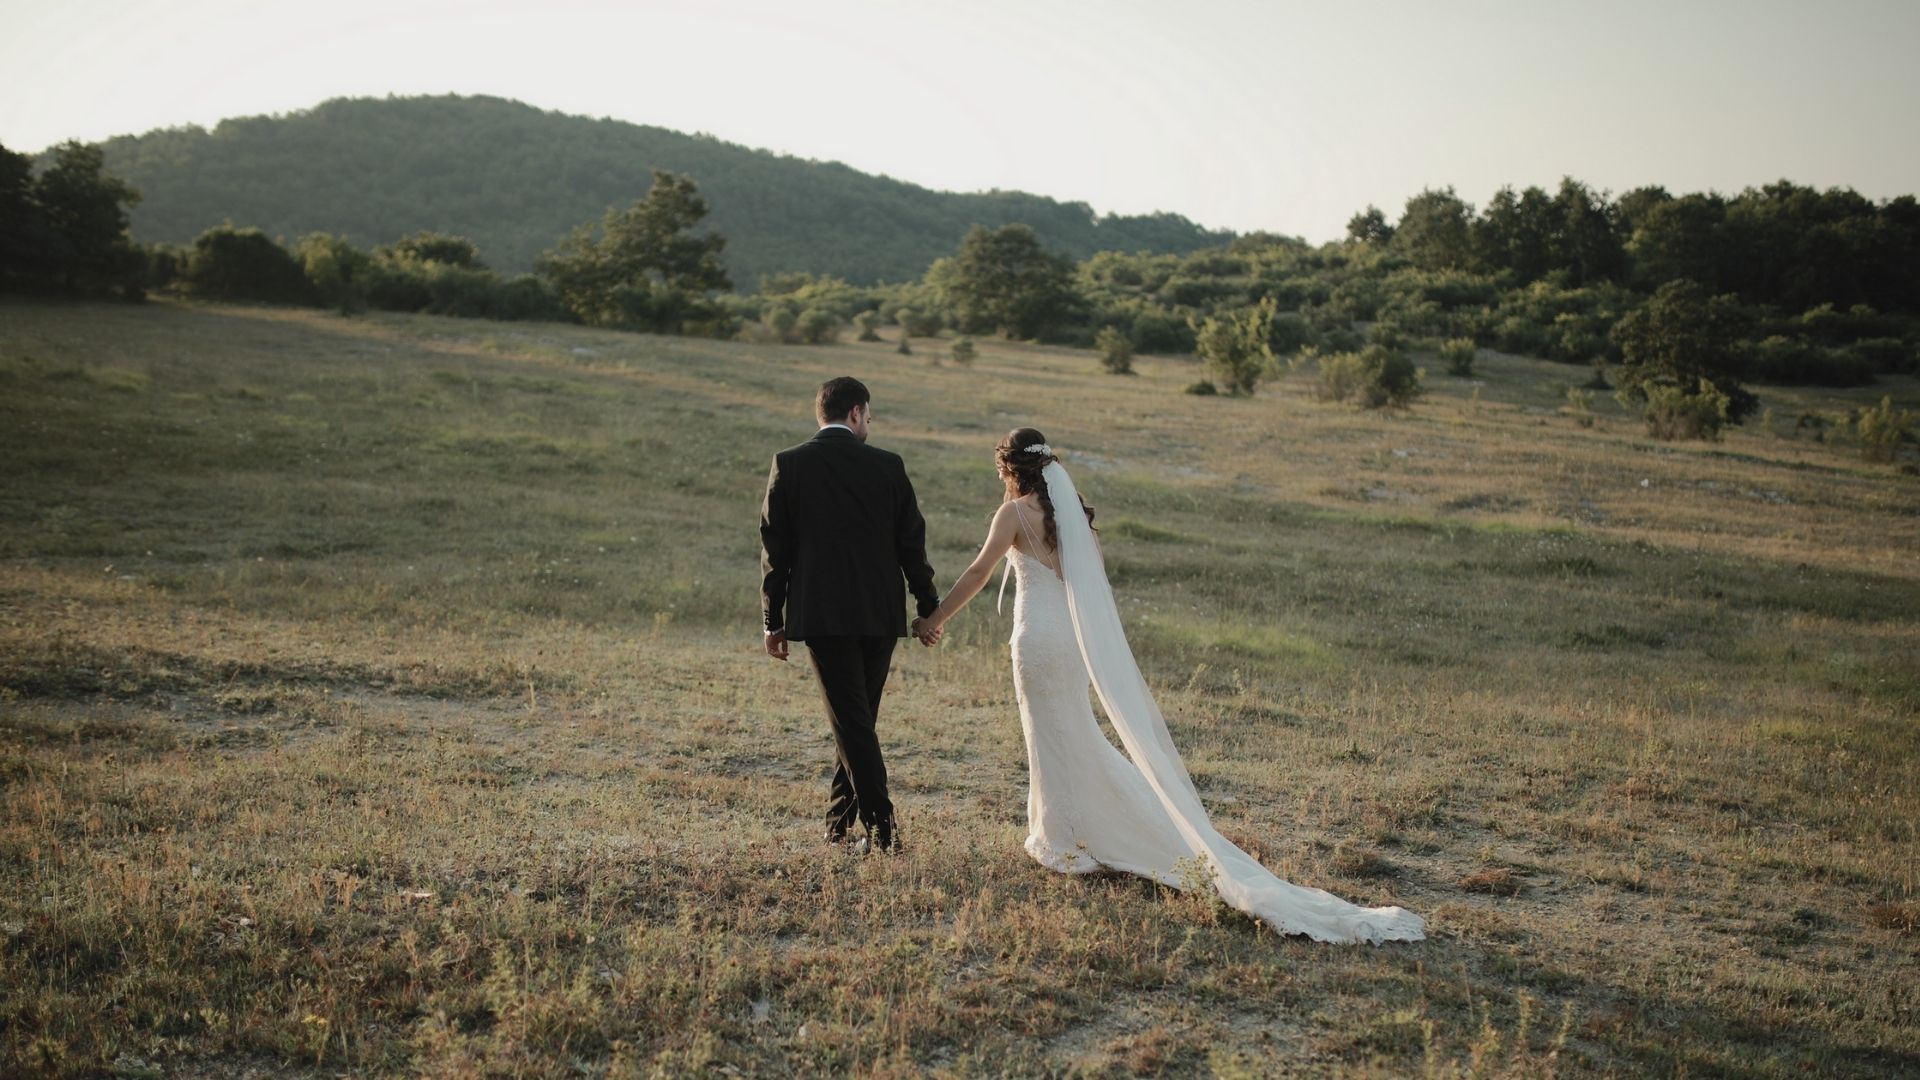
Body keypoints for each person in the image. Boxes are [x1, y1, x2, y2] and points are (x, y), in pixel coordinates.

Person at [917, 428, 1425, 943]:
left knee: (1052, 737)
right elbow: (1087, 589)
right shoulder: (1074, 520)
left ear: (1010, 469)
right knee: (1072, 733)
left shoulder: (1013, 515)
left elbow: (980, 572)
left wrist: (935, 617)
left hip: (1034, 642)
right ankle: (1067, 834)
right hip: (1069, 644)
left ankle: (1068, 840)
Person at [759, 377, 941, 854]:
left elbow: (774, 550)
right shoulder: (888, 466)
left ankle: (883, 836)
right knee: (856, 720)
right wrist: (927, 605)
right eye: (869, 416)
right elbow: (911, 545)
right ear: (857, 412)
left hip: (822, 615)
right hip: (880, 613)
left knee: (853, 722)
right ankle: (840, 829)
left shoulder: (790, 464)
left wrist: (771, 619)